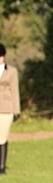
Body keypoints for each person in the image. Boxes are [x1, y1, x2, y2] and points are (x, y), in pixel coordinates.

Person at [0, 43, 19, 175]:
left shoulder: (11, 71)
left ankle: (2, 166)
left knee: (2, 137)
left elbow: (15, 90)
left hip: (6, 108)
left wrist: (16, 110)